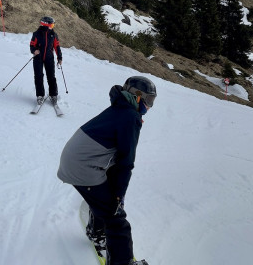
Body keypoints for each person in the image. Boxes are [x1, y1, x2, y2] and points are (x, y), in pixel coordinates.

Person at [58, 76, 157, 265]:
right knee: (116, 218)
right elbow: (126, 162)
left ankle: (97, 231)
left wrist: (115, 192)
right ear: (138, 96)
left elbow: (118, 157)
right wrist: (118, 198)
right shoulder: (130, 116)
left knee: (108, 197)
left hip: (79, 160)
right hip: (82, 166)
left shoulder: (121, 108)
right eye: (149, 100)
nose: (150, 106)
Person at [29, 16, 63, 105]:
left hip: (49, 58)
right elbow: (32, 45)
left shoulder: (53, 35)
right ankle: (40, 96)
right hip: (38, 58)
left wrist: (59, 57)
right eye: (51, 25)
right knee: (38, 76)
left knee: (51, 77)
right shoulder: (36, 34)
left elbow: (57, 47)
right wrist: (34, 50)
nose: (52, 26)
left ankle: (53, 95)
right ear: (45, 25)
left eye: (53, 25)